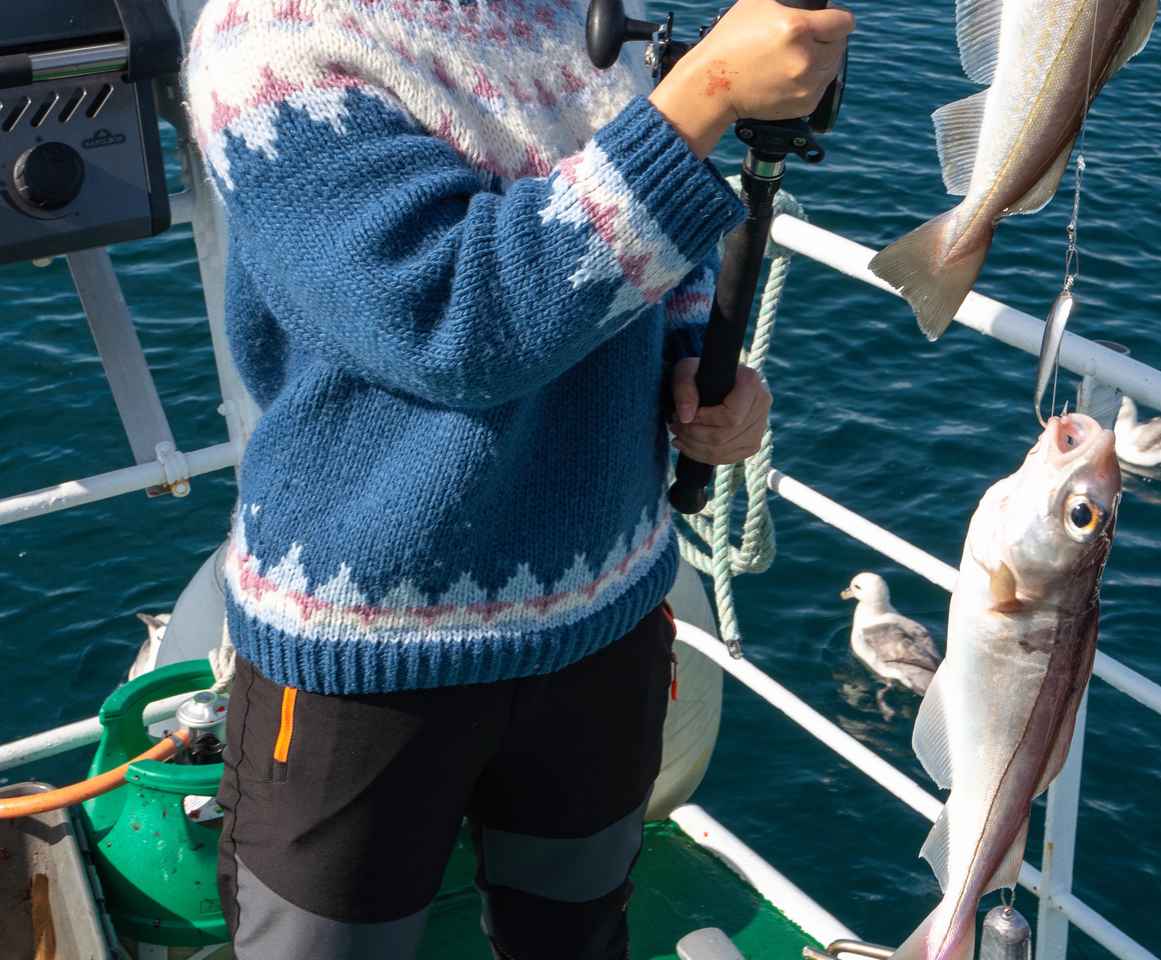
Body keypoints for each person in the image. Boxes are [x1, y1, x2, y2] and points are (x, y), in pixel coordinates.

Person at [181, 0, 852, 956]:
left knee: (577, 937)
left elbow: (660, 272)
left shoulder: (569, 13)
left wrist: (702, 374)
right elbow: (453, 318)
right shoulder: (266, 41)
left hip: (604, 618)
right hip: (361, 648)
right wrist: (702, 96)